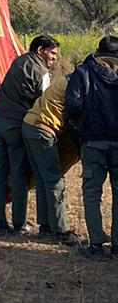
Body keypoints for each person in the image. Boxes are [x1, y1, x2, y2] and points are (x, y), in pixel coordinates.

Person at [0, 36, 59, 236]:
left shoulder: (18, 62)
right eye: (52, 53)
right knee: (19, 175)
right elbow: (43, 103)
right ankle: (19, 223)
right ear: (40, 50)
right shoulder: (41, 71)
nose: (54, 58)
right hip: (16, 126)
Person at [64, 34, 118, 259]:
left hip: (93, 141)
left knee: (92, 195)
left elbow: (73, 105)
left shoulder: (83, 72)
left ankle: (96, 245)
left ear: (97, 52)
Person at [21, 63, 81, 247]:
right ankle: (61, 231)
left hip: (30, 125)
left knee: (42, 179)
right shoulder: (75, 85)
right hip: (42, 130)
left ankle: (46, 227)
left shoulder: (66, 80)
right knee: (55, 181)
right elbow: (76, 112)